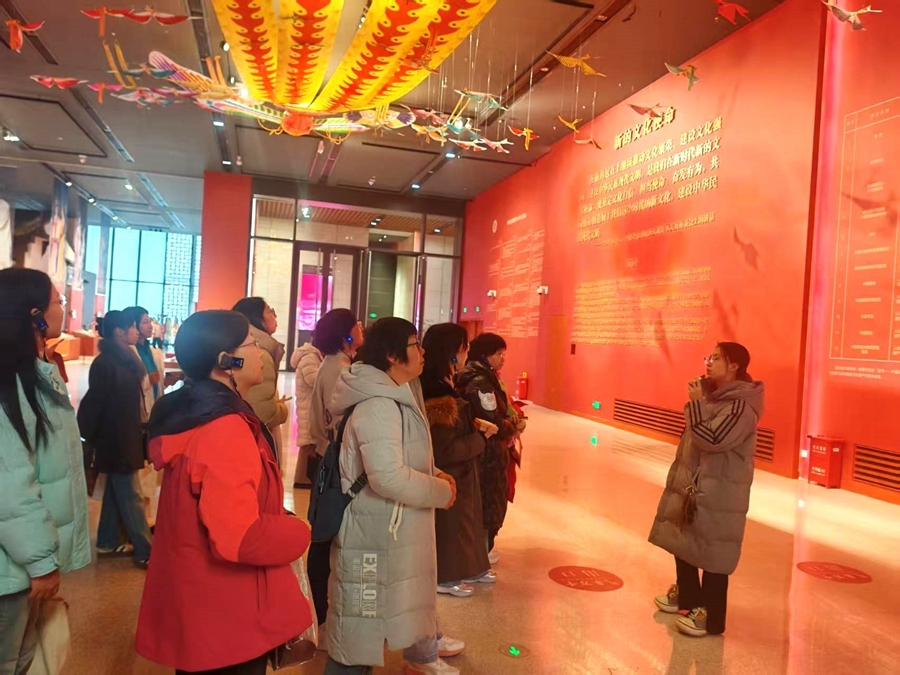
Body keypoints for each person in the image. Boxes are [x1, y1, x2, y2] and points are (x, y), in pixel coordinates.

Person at [136, 310, 312, 675]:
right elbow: (240, 537)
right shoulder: (225, 429)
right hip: (228, 616)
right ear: (226, 362)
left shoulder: (201, 414)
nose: (261, 352)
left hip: (202, 605)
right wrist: (298, 532)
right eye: (251, 344)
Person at [324, 318, 462, 675]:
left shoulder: (395, 392)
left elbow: (402, 455)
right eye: (415, 344)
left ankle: (418, 655)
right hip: (372, 533)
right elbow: (386, 476)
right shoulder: (379, 404)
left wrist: (434, 473)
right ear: (391, 355)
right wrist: (440, 491)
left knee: (366, 624)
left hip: (386, 526)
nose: (423, 351)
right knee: (358, 630)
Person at [0, 269, 91, 675]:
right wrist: (40, 561)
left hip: (18, 562)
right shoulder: (9, 385)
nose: (64, 308)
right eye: (59, 301)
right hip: (11, 569)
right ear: (35, 315)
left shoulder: (32, 374)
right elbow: (9, 485)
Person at [649, 342, 765, 638]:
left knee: (715, 552)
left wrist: (697, 404)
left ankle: (711, 617)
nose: (709, 363)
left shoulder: (741, 405)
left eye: (716, 358)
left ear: (735, 365)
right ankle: (688, 599)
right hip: (697, 483)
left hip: (721, 490)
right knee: (685, 539)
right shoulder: (714, 396)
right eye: (708, 357)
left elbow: (712, 440)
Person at [421, 324, 493, 599]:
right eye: (464, 347)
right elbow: (444, 450)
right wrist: (480, 438)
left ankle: (468, 568)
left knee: (466, 523)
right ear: (451, 353)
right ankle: (446, 576)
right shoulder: (437, 392)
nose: (467, 352)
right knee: (452, 526)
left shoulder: (444, 383)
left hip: (462, 471)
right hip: (451, 472)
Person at [77, 310, 153, 569]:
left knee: (115, 488)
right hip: (115, 438)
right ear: (119, 332)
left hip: (126, 434)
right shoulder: (106, 363)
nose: (136, 331)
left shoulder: (125, 360)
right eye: (132, 327)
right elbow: (95, 404)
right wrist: (90, 440)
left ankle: (108, 540)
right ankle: (145, 550)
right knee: (131, 495)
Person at [307, 308, 363, 632]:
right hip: (335, 464)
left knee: (324, 536)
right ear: (346, 334)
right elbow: (338, 423)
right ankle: (320, 613)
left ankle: (319, 610)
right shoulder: (341, 370)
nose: (361, 327)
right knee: (326, 537)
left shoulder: (333, 364)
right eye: (356, 324)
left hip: (327, 458)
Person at [456, 333, 523, 562]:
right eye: (498, 353)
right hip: (488, 454)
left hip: (487, 451)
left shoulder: (484, 377)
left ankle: (479, 553)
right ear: (485, 356)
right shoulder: (481, 382)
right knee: (488, 503)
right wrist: (513, 427)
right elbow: (492, 420)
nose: (503, 358)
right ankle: (478, 556)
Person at [232, 297, 289, 464]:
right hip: (255, 443)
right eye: (270, 311)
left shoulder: (238, 345)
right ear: (257, 318)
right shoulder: (259, 353)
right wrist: (282, 409)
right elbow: (263, 413)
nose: (275, 316)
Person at [290, 338, 323, 489]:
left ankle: (306, 478)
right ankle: (303, 479)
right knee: (308, 442)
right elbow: (313, 380)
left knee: (309, 442)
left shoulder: (312, 356)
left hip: (309, 405)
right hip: (308, 407)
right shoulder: (309, 357)